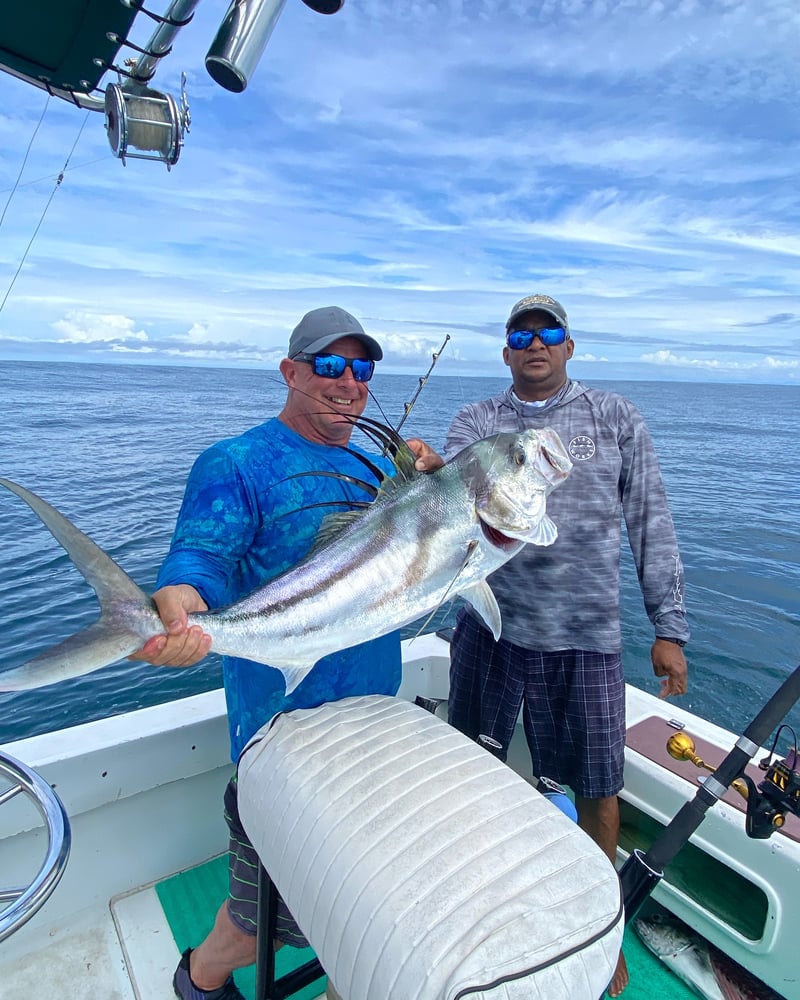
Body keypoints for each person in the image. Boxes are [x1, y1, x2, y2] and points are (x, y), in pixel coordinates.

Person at [132, 306, 437, 1000]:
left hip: (368, 726)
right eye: (330, 365)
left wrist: (428, 478)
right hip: (281, 737)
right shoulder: (236, 463)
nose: (348, 382)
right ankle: (198, 980)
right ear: (291, 371)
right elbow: (198, 563)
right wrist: (177, 603)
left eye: (361, 368)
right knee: (259, 922)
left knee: (351, 905)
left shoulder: (370, 461)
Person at [444, 293, 689, 999]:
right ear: (506, 352)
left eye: (549, 331)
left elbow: (652, 522)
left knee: (598, 791)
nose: (535, 342)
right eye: (521, 334)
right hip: (489, 628)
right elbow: (447, 514)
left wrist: (668, 628)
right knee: (472, 776)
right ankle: (474, 916)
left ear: (570, 346)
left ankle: (598, 934)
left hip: (586, 638)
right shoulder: (477, 422)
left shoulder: (614, 417)